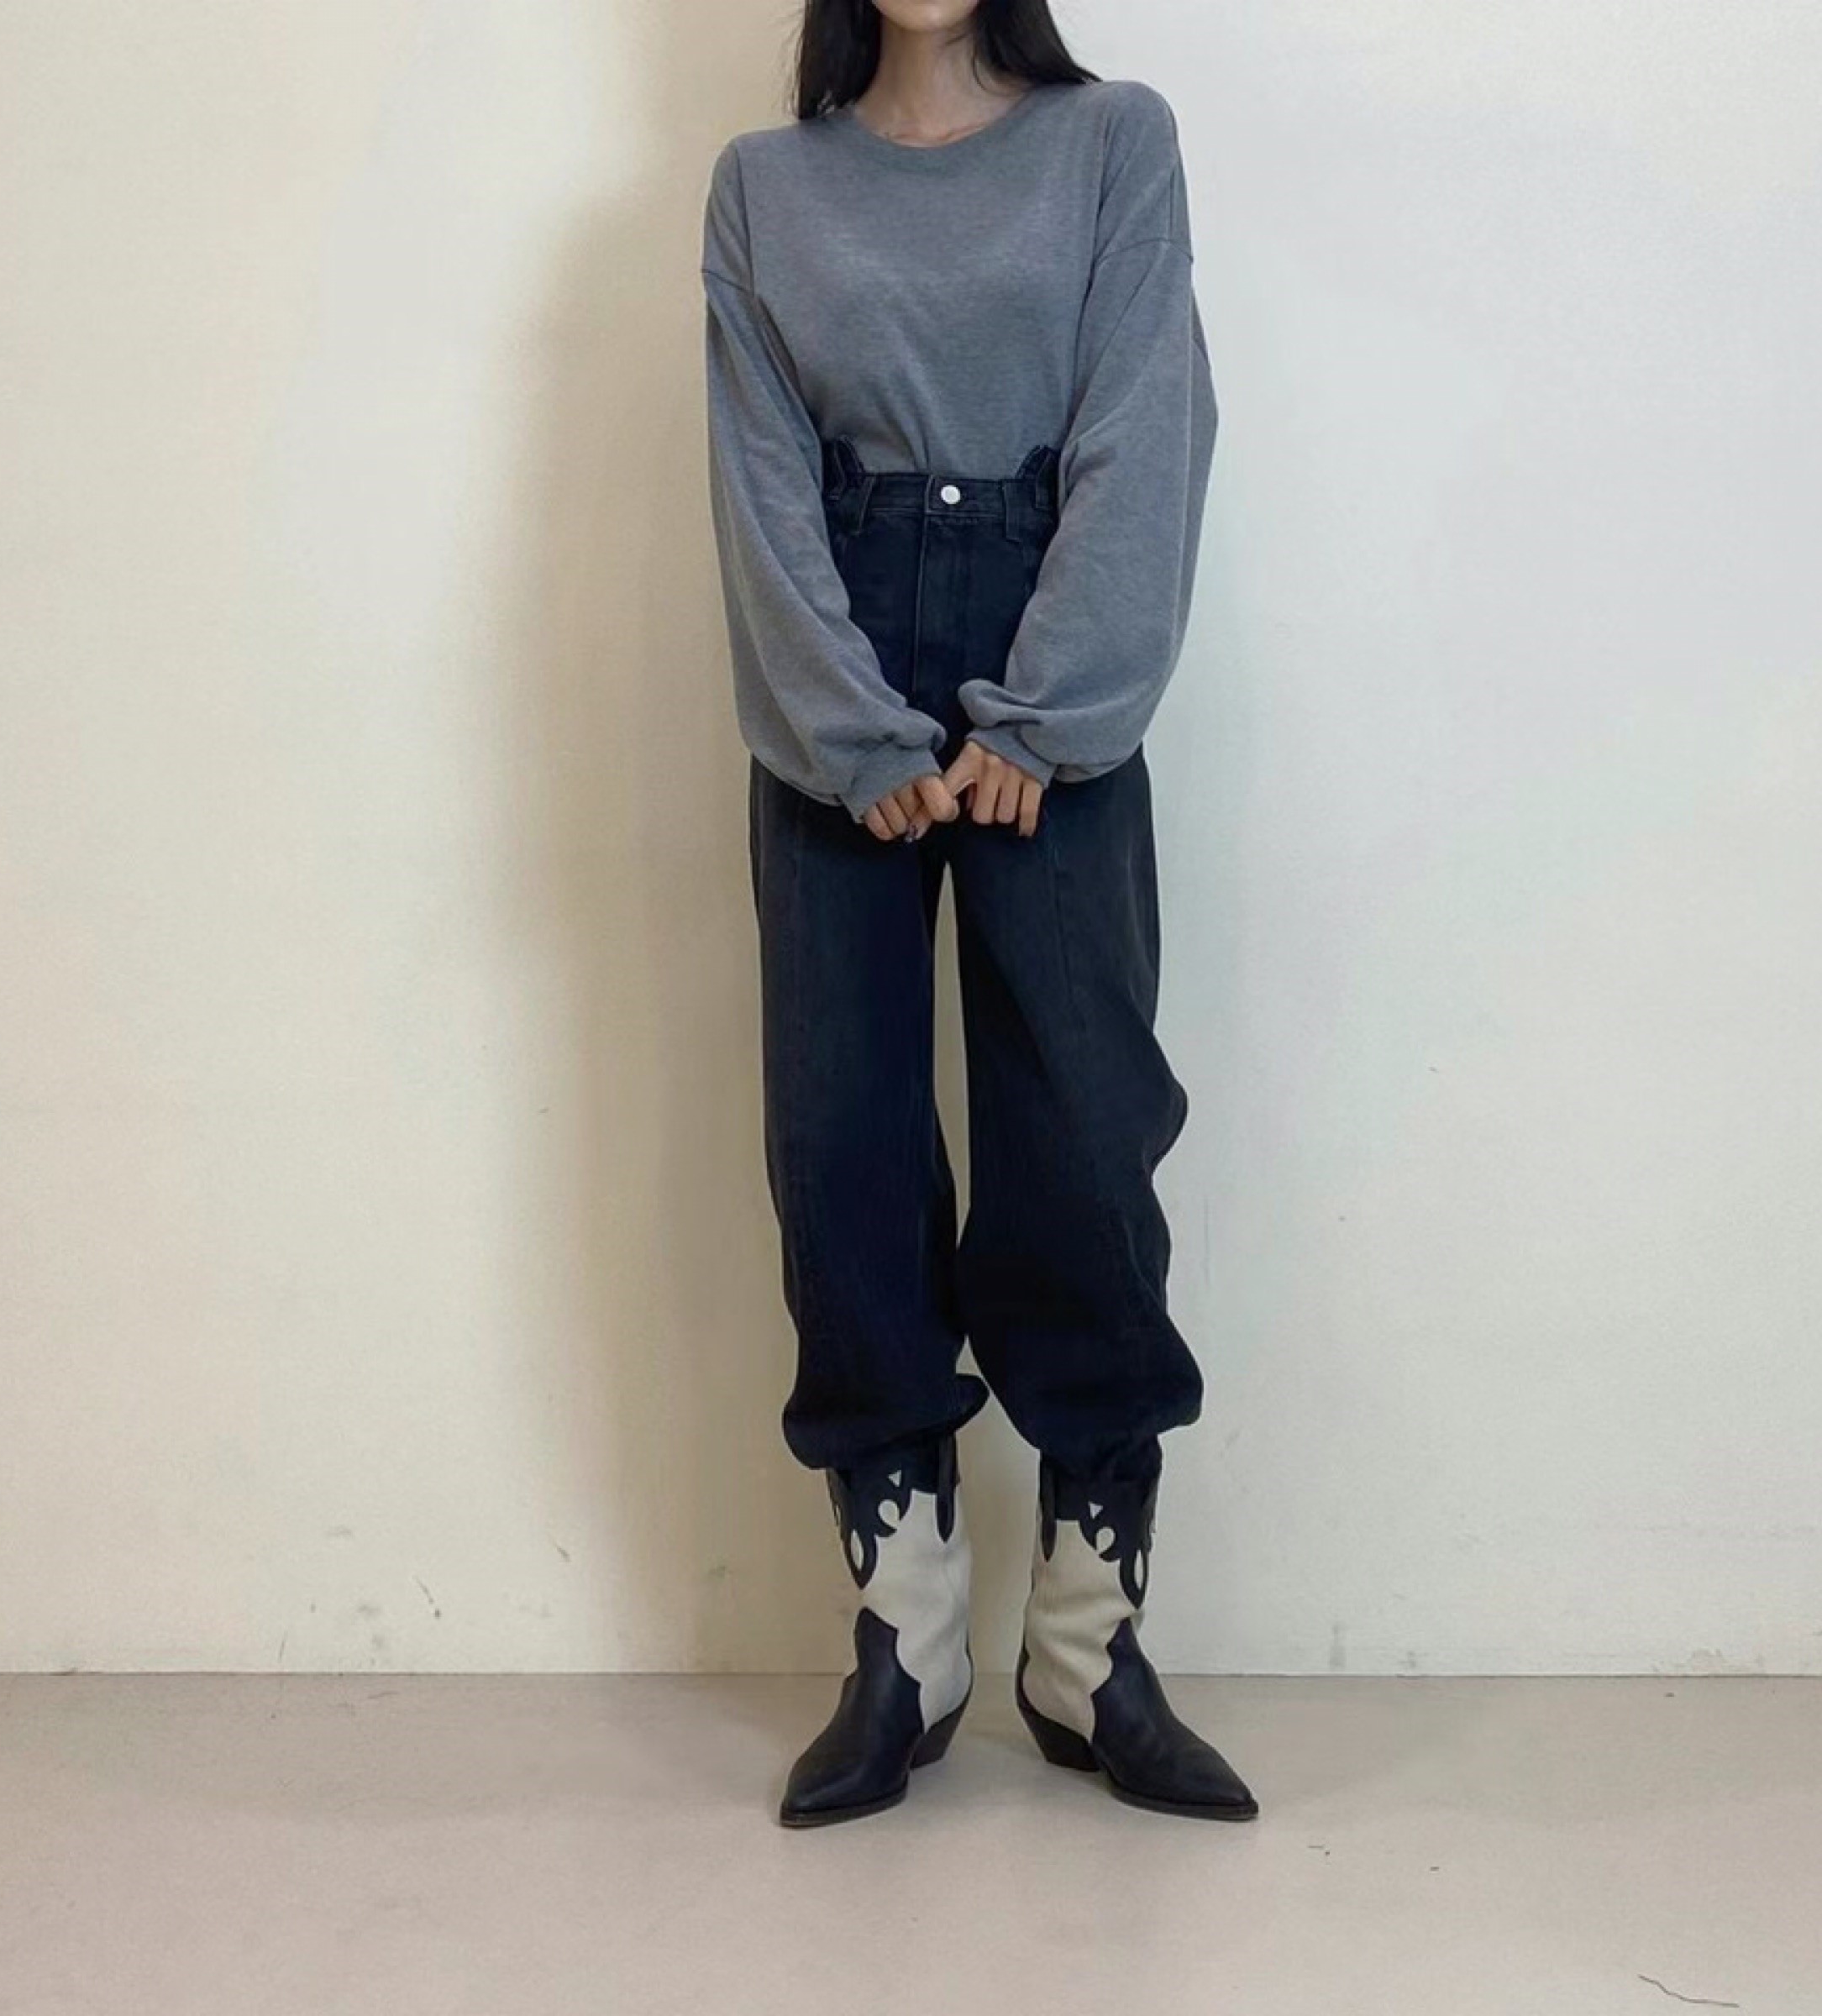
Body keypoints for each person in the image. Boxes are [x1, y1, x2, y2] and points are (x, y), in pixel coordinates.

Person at [700, 0, 1256, 1826]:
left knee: (1084, 1128)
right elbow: (760, 477)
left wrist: (1048, 712)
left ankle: (1089, 1648)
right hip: (838, 664)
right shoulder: (765, 186)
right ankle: (911, 1639)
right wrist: (852, 731)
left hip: (1048, 638)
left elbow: (1147, 422)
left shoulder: (1113, 144)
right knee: (839, 1137)